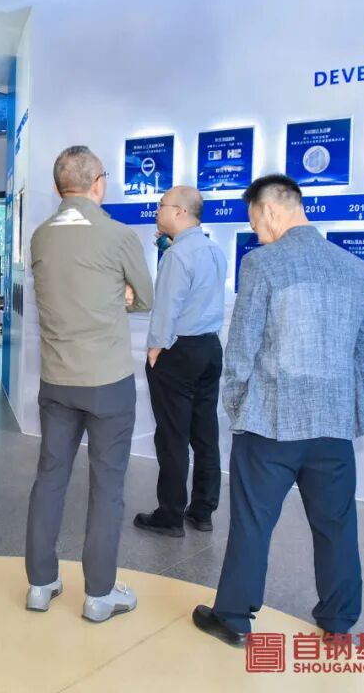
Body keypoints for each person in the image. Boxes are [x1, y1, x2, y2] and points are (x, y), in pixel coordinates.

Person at [192, 175, 364, 647]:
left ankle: (234, 617)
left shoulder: (262, 264)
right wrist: (344, 402)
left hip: (270, 422)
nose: (256, 233)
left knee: (254, 522)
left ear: (270, 210)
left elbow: (241, 347)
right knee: (336, 525)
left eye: (255, 222)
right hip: (333, 425)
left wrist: (239, 405)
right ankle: (339, 623)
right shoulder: (355, 268)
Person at [24, 145, 153, 622]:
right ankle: (99, 594)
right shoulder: (118, 234)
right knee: (107, 485)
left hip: (56, 380)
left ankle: (40, 584)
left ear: (57, 187)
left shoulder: (40, 236)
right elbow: (146, 298)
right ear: (99, 183)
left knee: (50, 478)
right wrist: (120, 295)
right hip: (107, 382)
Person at [133, 186, 226, 537]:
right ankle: (202, 511)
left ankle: (170, 514)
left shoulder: (177, 257)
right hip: (209, 348)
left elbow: (167, 307)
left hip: (177, 351)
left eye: (162, 205)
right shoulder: (213, 250)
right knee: (205, 433)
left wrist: (155, 349)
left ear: (181, 212)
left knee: (172, 435)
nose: (157, 211)